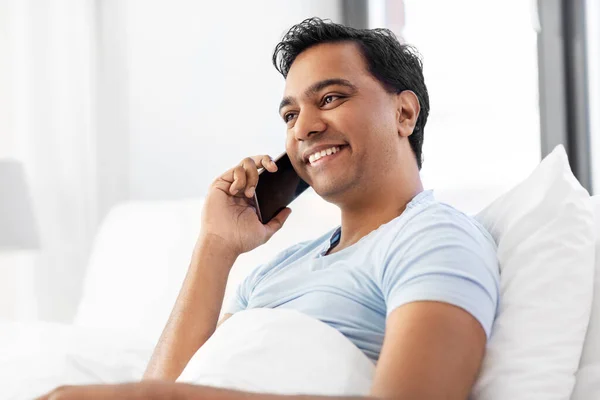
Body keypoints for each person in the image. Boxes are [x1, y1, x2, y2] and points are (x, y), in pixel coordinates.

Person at [39, 17, 499, 400]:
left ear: (404, 114)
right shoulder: (276, 272)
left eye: (331, 98)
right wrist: (215, 247)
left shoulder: (435, 238)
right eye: (290, 115)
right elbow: (166, 384)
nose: (304, 128)